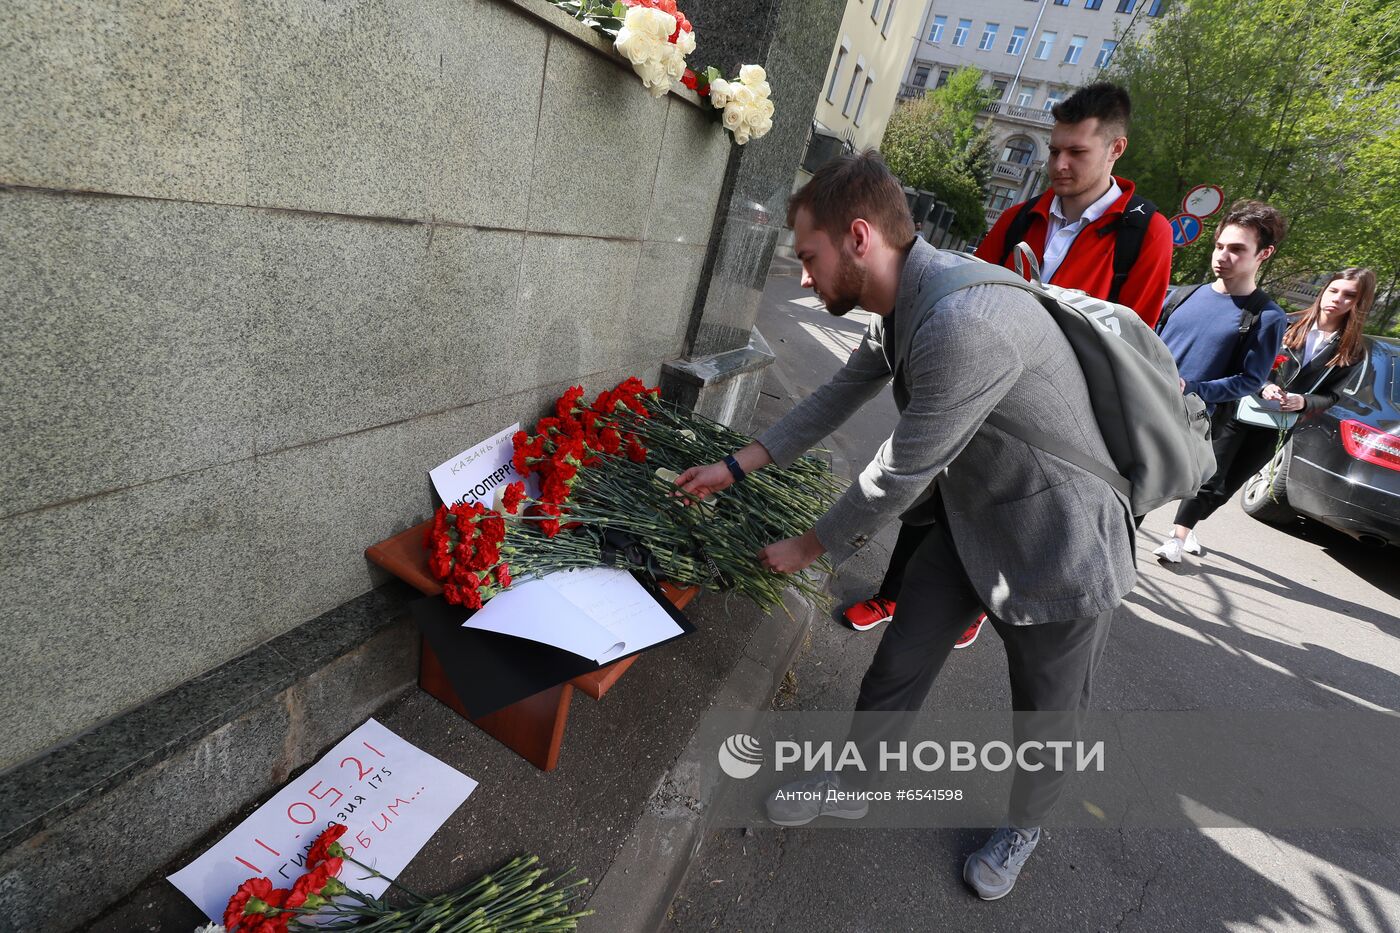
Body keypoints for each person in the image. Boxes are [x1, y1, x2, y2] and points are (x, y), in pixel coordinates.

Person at [676, 152, 1135, 900]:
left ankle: (1025, 823)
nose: (803, 277)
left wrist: (810, 544)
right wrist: (733, 466)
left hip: (1062, 542)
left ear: (860, 237)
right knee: (898, 662)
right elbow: (837, 396)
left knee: (1045, 714)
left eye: (810, 257)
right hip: (975, 519)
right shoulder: (905, 300)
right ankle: (855, 776)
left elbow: (899, 470)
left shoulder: (963, 322)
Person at [842, 81, 1171, 646]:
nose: (1059, 165)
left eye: (1076, 153)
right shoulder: (1022, 217)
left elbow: (1132, 337)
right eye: (1054, 150)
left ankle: (979, 604)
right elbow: (967, 291)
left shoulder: (1145, 232)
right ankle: (896, 594)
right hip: (983, 381)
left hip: (1060, 406)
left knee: (1018, 511)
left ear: (1116, 150)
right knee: (935, 487)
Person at [1157, 268, 1375, 561]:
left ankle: (1190, 524)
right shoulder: (1284, 322)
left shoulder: (1353, 350)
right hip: (1239, 411)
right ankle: (1177, 537)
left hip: (1279, 424)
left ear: (1359, 303)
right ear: (1324, 290)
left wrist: (1304, 402)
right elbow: (1246, 364)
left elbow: (1332, 396)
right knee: (1212, 476)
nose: (1337, 300)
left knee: (1228, 487)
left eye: (1349, 296)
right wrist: (1265, 384)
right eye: (1334, 290)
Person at [1151, 201, 1291, 563]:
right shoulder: (1182, 294)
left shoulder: (1266, 316)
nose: (1223, 256)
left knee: (1131, 502)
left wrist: (1193, 387)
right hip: (1137, 404)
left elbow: (1250, 380)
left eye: (1237, 249)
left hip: (1185, 423)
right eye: (1220, 246)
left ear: (1265, 254)